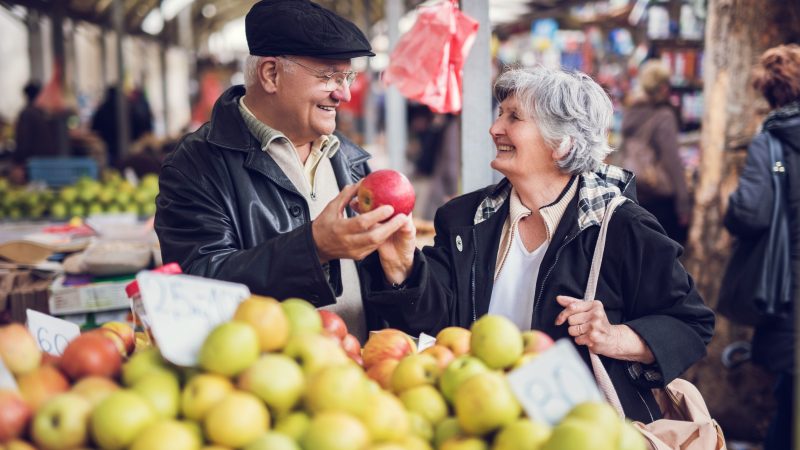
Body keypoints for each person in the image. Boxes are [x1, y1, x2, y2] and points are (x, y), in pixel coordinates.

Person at [361, 66, 715, 423]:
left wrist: (616, 337)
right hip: (478, 420)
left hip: (580, 432)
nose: (495, 127)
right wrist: (401, 266)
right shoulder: (463, 218)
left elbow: (691, 322)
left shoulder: (622, 227)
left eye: (514, 117)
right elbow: (434, 318)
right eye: (500, 113)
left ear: (562, 145)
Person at [154, 0, 408, 343]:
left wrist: (402, 273)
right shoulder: (196, 165)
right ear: (271, 74)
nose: (344, 93)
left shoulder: (349, 158)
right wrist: (313, 247)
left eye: (347, 76)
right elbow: (196, 285)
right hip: (263, 379)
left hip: (358, 376)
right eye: (329, 76)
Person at [724, 44, 799, 450]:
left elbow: (749, 213)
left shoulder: (771, 140)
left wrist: (729, 203)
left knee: (789, 408)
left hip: (791, 290)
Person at [621, 60, 691, 244]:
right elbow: (672, 161)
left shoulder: (631, 111)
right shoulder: (664, 115)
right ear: (663, 86)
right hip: (660, 196)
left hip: (635, 191)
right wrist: (683, 203)